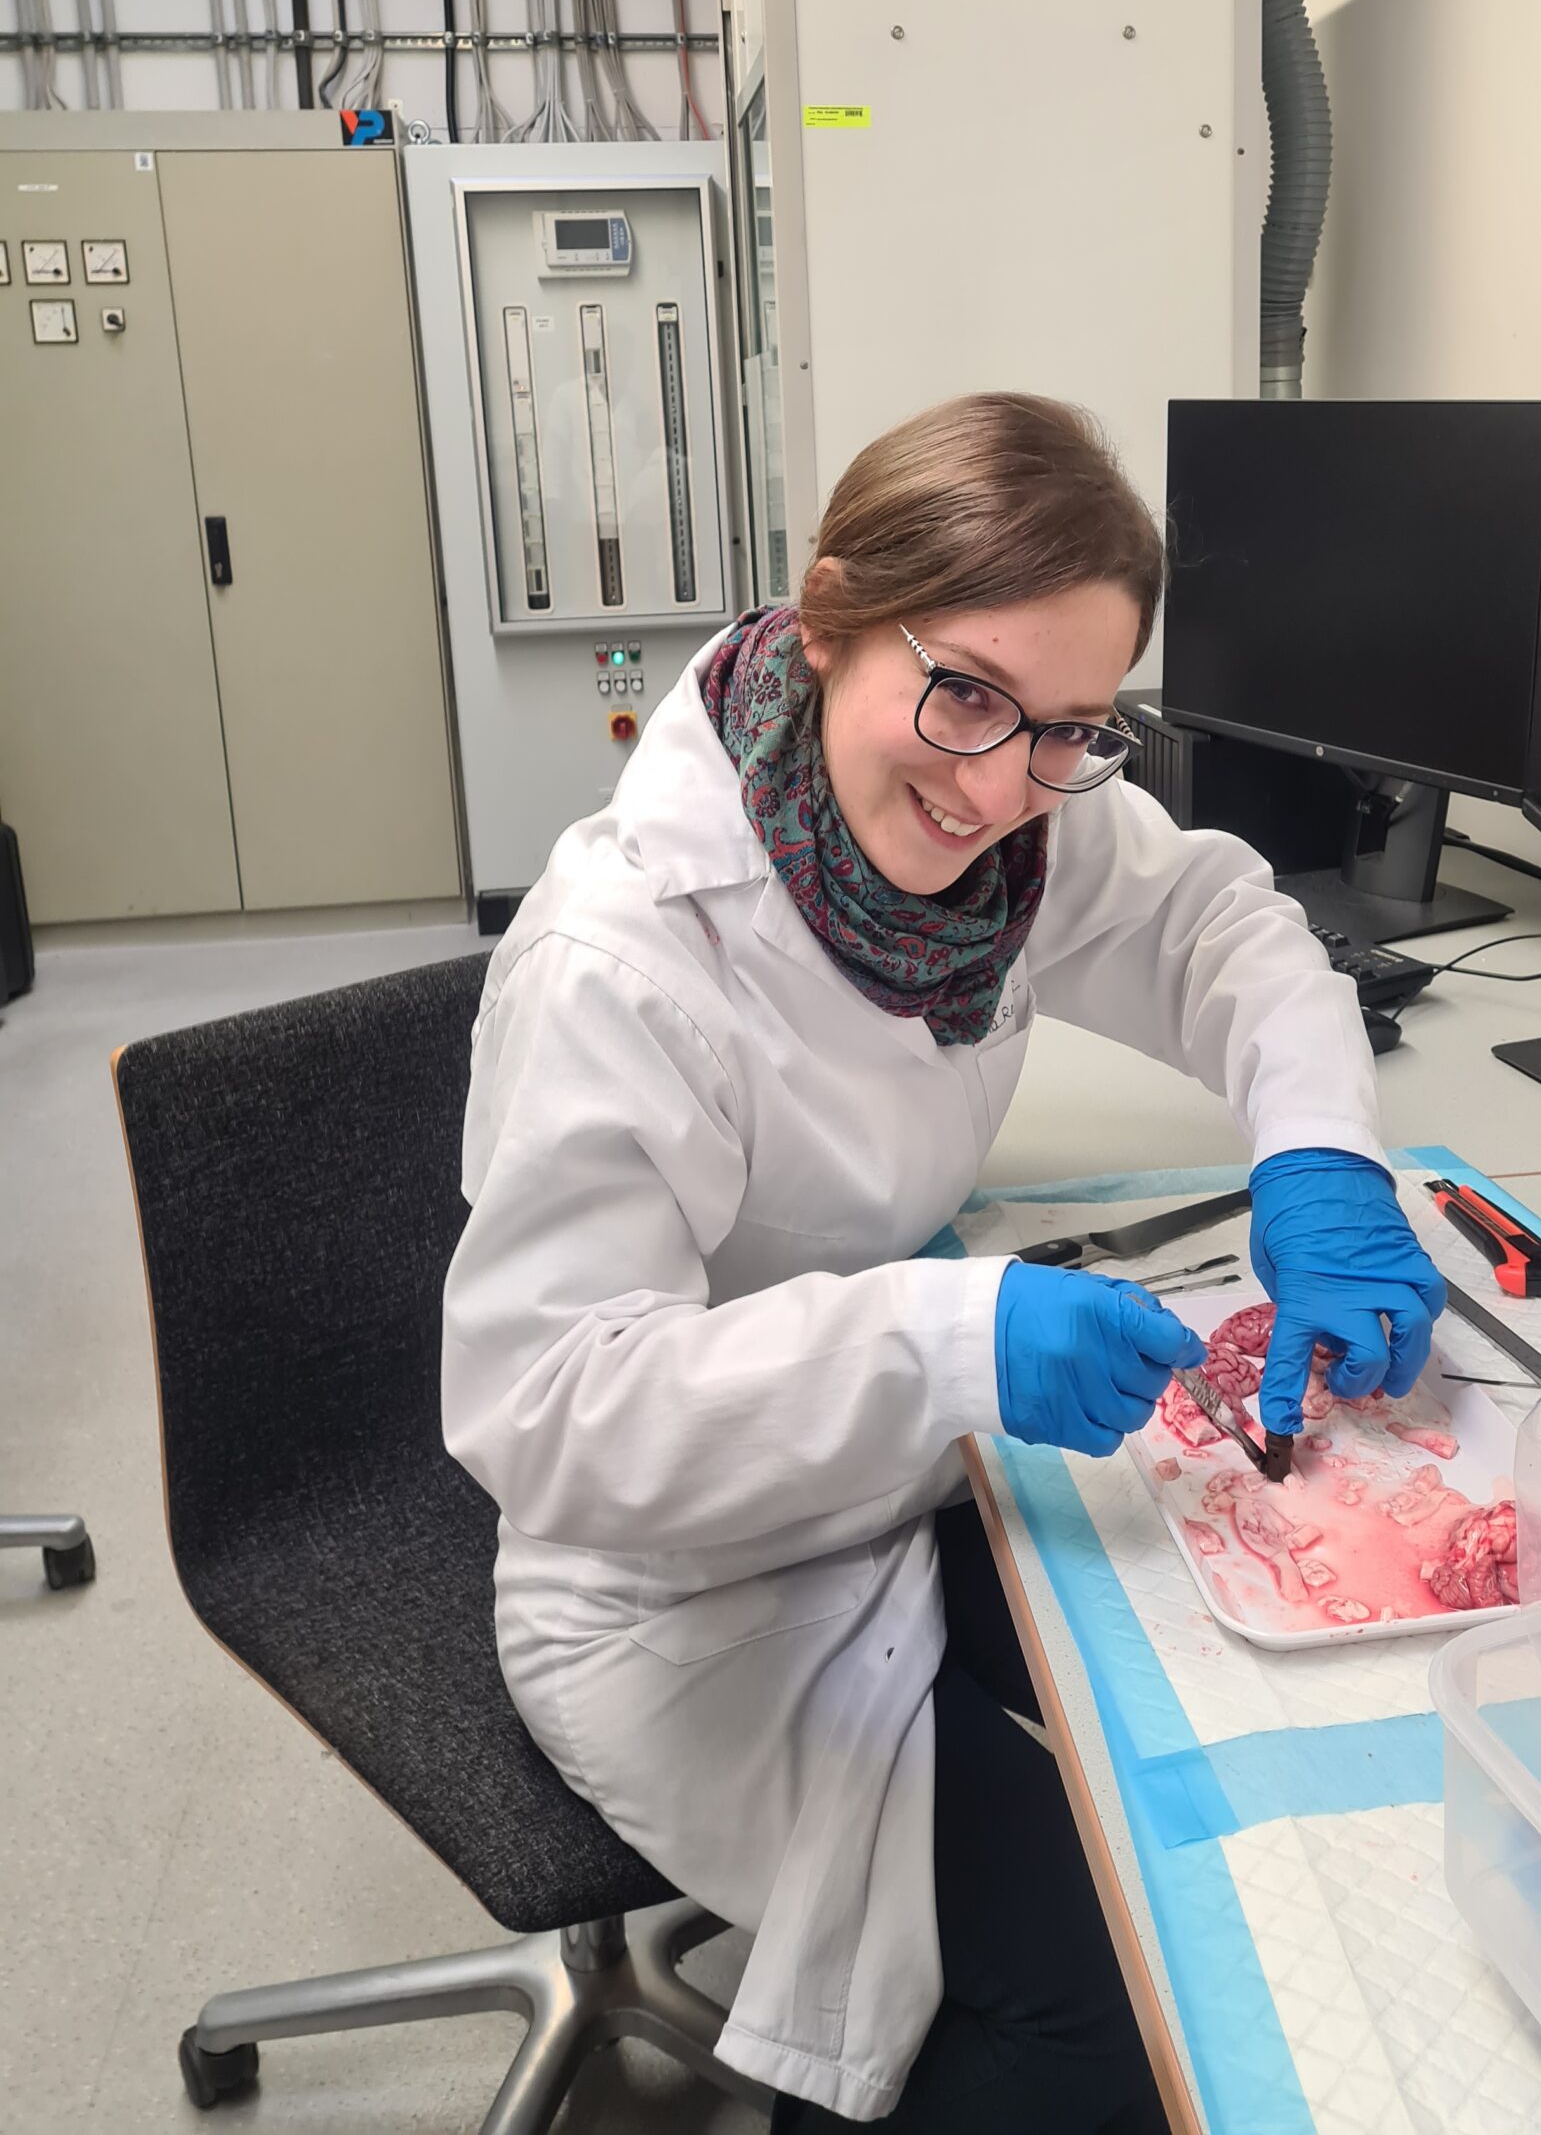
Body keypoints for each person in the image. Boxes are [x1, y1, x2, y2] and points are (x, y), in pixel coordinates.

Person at [441, 392, 1447, 2130]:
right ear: (830, 617)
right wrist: (946, 1338)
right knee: (1099, 2001)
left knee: (1226, 1757)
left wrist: (1321, 1155)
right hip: (674, 1585)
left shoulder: (1020, 831)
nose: (996, 783)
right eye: (963, 692)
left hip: (894, 1476)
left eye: (1066, 725)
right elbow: (547, 1410)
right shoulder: (626, 958)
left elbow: (1218, 921)